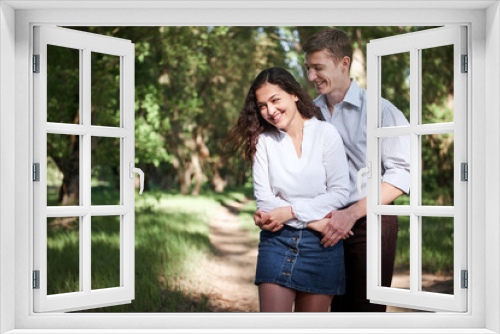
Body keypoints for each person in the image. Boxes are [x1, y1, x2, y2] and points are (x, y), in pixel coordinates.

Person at [302, 28, 411, 312]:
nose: (311, 77)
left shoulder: (382, 111)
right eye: (308, 69)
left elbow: (401, 173)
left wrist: (351, 213)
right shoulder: (307, 114)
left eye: (318, 68)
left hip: (371, 221)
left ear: (344, 64)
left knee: (365, 312)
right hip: (323, 223)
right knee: (329, 310)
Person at [227, 67, 350, 312]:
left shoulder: (326, 134)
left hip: (322, 245)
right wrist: (313, 221)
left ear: (294, 94)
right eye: (262, 106)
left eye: (275, 100)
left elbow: (339, 193)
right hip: (278, 241)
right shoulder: (264, 141)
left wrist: (290, 212)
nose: (270, 111)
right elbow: (265, 201)